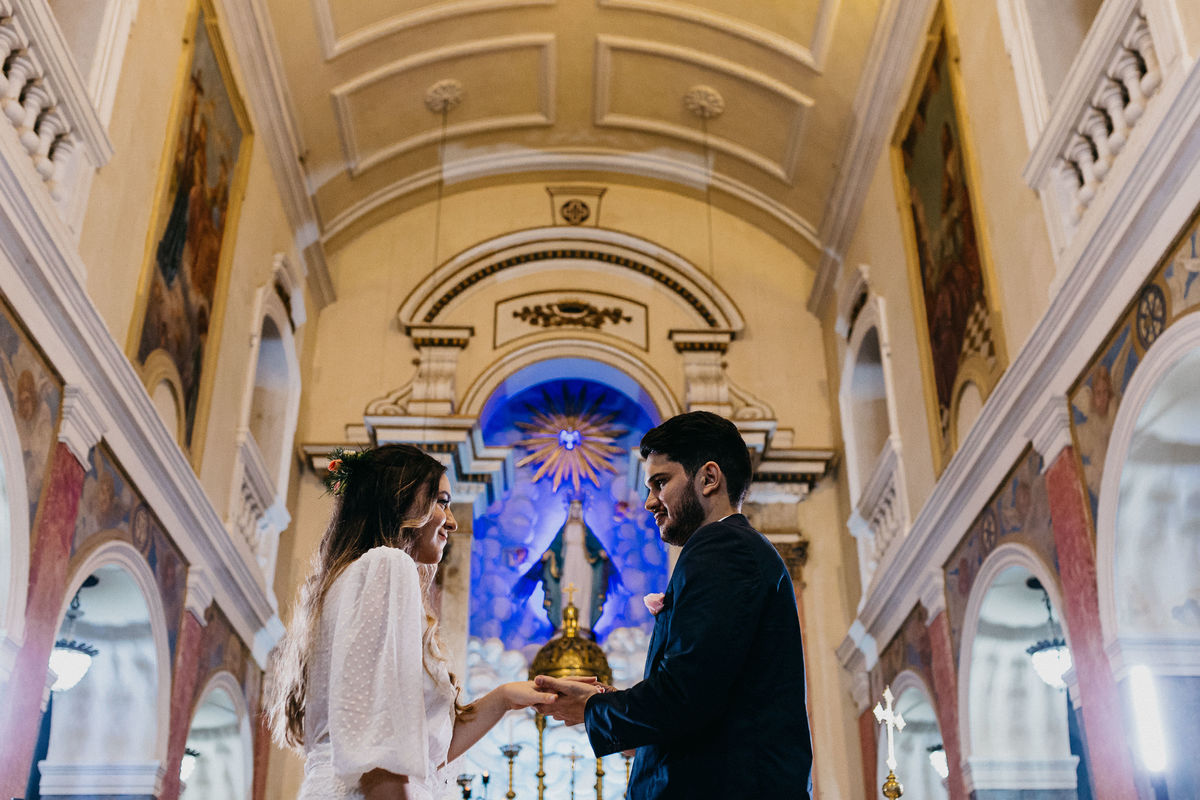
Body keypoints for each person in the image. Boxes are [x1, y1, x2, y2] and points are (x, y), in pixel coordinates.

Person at [534, 411, 813, 798]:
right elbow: (703, 704)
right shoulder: (731, 551)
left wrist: (595, 710)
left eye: (660, 483)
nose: (649, 502)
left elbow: (686, 695)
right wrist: (609, 706)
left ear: (709, 478)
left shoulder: (722, 547)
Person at [267, 444, 555, 800]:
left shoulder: (349, 579)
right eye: (441, 502)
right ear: (401, 502)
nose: (452, 521)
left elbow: (423, 756)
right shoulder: (387, 566)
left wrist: (506, 697)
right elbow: (380, 753)